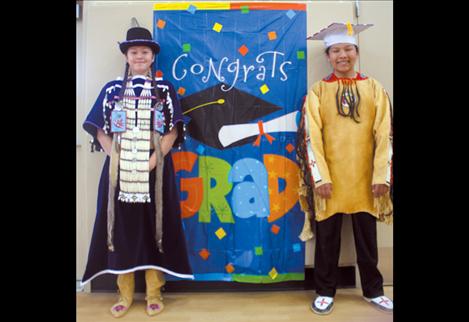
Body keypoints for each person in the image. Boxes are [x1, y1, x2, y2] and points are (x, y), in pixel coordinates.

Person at [80, 21, 193, 318]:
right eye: (134, 52)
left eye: (144, 51)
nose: (139, 56)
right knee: (120, 230)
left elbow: (173, 131)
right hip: (118, 172)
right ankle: (124, 292)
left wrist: (154, 160)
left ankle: (155, 292)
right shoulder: (112, 90)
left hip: (155, 171)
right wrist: (115, 157)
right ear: (127, 56)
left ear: (152, 56)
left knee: (155, 227)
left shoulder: (165, 90)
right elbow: (97, 128)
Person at [297, 22, 393, 315]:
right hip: (330, 180)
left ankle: (373, 290)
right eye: (336, 50)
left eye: (348, 49)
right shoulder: (317, 92)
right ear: (328, 56)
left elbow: (384, 132)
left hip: (366, 179)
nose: (343, 55)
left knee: (367, 239)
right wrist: (319, 177)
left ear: (356, 52)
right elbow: (310, 136)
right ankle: (325, 290)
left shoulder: (374, 88)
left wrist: (382, 176)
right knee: (327, 240)